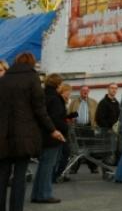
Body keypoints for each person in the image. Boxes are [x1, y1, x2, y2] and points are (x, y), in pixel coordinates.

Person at [0, 53, 64, 210]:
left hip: (3, 135)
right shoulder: (32, 79)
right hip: (24, 136)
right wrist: (52, 130)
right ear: (32, 63)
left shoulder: (3, 80)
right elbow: (40, 110)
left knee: (2, 177)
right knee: (19, 178)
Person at [31, 74, 68, 204]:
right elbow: (56, 119)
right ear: (58, 84)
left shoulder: (42, 95)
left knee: (43, 166)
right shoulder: (55, 99)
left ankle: (37, 193)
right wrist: (66, 127)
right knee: (48, 167)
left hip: (42, 135)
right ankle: (44, 194)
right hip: (53, 136)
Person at [68, 85, 99, 174]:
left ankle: (93, 167)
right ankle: (74, 168)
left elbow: (97, 115)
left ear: (89, 92)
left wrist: (95, 126)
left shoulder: (93, 102)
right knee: (76, 149)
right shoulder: (74, 102)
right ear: (80, 92)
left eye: (86, 90)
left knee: (90, 149)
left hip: (89, 128)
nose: (85, 92)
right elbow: (69, 114)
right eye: (83, 90)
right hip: (77, 128)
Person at [95, 83, 120, 165]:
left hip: (115, 132)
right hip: (106, 132)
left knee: (114, 153)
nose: (114, 90)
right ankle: (106, 171)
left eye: (116, 88)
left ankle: (112, 172)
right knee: (107, 153)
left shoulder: (116, 102)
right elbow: (99, 118)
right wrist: (108, 128)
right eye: (112, 88)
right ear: (108, 89)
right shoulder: (103, 103)